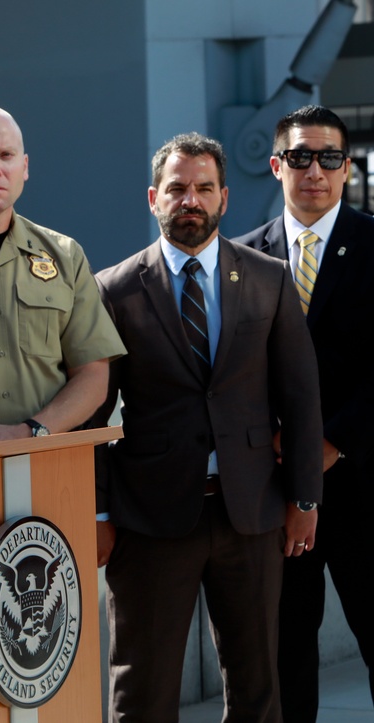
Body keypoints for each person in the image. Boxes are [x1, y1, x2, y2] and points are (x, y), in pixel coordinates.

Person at [92, 132, 323, 722]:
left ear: (225, 198)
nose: (189, 199)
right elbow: (93, 412)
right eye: (177, 189)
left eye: (203, 188)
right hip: (150, 520)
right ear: (153, 198)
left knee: (257, 688)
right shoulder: (113, 290)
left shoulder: (270, 279)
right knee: (141, 691)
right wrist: (95, 515)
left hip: (251, 514)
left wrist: (304, 496)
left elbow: (299, 395)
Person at [232, 105, 374, 720]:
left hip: (364, 481)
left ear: (347, 168)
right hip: (278, 490)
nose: (314, 170)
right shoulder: (241, 259)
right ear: (276, 165)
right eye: (299, 157)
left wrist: (333, 442)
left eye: (329, 158)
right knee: (286, 652)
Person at [0, 104, 126, 445]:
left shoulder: (64, 255)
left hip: (49, 465)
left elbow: (92, 374)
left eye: (6, 155)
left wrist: (31, 432)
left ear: (25, 166)